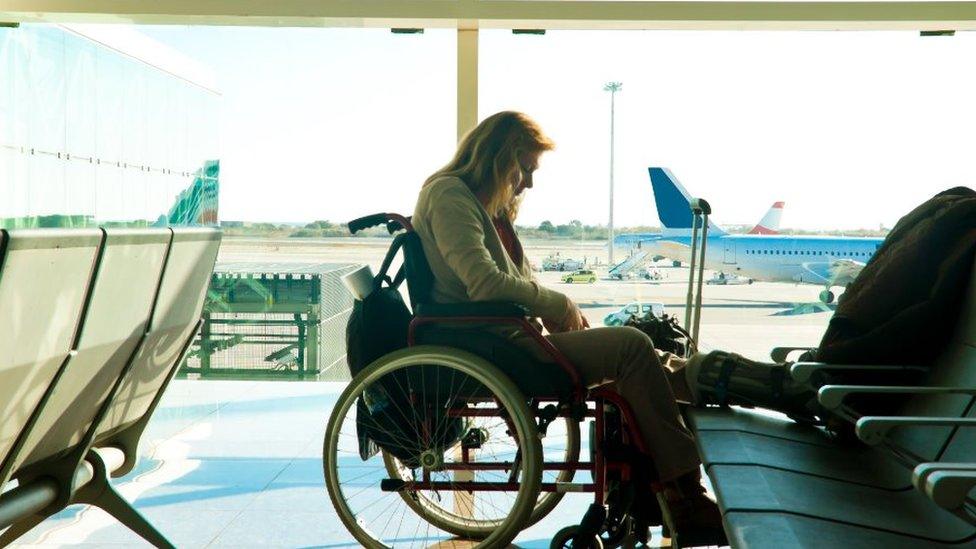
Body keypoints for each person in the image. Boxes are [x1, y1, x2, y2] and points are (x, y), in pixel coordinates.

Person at [411, 111, 725, 539]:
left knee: (652, 358)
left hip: (507, 336)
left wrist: (557, 311)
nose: (528, 183)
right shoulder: (449, 195)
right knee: (632, 347)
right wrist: (558, 303)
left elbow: (509, 283)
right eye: (525, 169)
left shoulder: (475, 204)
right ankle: (684, 494)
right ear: (500, 158)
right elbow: (483, 283)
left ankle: (754, 384)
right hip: (496, 343)